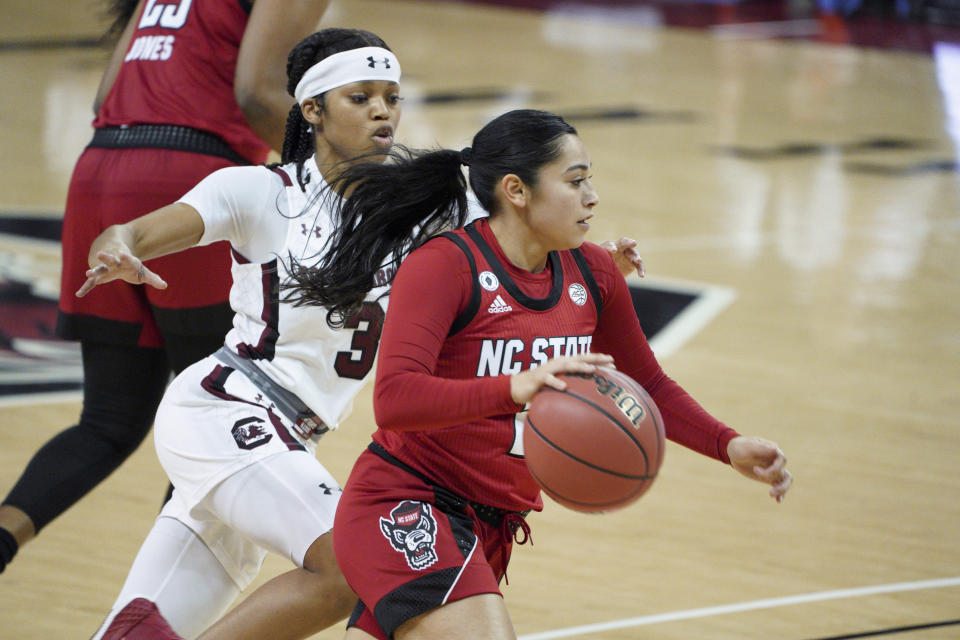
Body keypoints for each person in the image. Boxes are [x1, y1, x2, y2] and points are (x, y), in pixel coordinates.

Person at [71, 28, 644, 640]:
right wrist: (117, 248)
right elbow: (130, 233)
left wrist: (593, 258)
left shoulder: (430, 209)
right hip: (225, 411)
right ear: (312, 109)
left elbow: (523, 238)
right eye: (361, 96)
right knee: (351, 565)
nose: (382, 110)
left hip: (290, 442)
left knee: (137, 630)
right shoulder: (259, 191)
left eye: (392, 97)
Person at [279, 108, 794, 640]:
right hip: (408, 502)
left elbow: (651, 386)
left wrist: (726, 444)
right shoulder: (446, 265)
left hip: (493, 523)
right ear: (516, 191)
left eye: (589, 178)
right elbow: (394, 400)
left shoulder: (593, 271)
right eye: (574, 181)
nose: (592, 196)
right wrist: (515, 386)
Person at [0, 0, 330, 574]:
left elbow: (106, 97)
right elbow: (256, 94)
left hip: (100, 172)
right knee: (222, 424)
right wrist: (343, 180)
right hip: (189, 180)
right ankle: (151, 617)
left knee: (108, 418)